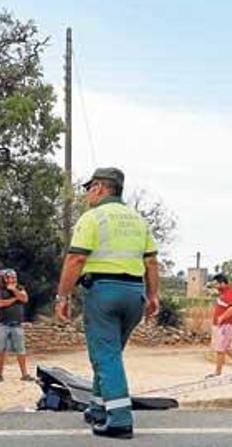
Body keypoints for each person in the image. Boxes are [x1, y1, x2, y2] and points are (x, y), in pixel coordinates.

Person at [54, 167, 160, 439]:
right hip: (134, 294)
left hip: (104, 292)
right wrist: (153, 296)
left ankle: (120, 420)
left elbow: (76, 259)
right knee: (110, 354)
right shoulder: (138, 220)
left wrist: (63, 296)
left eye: (90, 188)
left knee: (105, 356)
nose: (88, 194)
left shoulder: (93, 218)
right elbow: (150, 262)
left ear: (100, 188)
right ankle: (98, 409)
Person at [0, 269, 34, 382]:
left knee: (21, 350)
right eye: (9, 277)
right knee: (1, 350)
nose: (12, 279)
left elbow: (25, 298)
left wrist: (14, 290)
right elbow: (1, 303)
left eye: (14, 277)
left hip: (17, 325)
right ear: (4, 278)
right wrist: (15, 298)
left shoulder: (19, 288)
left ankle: (24, 374)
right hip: (2, 324)